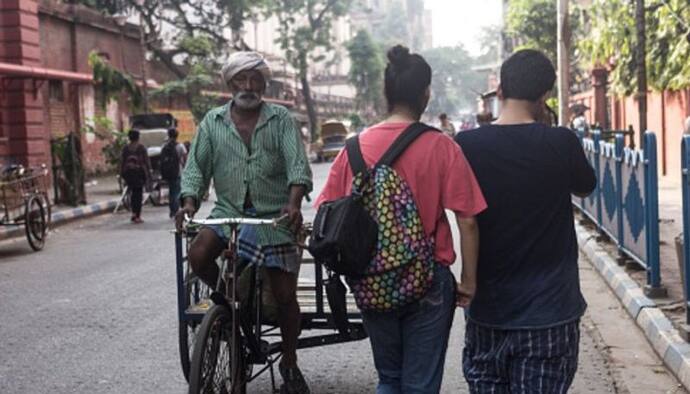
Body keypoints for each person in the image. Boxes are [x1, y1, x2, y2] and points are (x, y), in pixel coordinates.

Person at [317, 45, 486, 394]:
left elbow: (326, 213)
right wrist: (468, 281)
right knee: (420, 384)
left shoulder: (352, 149)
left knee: (390, 379)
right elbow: (467, 219)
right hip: (427, 281)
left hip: (371, 280)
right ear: (426, 94)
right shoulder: (441, 146)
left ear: (386, 92)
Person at [455, 49, 597, 393]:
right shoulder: (561, 141)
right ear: (545, 95)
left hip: (489, 313)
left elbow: (466, 219)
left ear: (499, 91)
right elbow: (585, 186)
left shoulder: (467, 145)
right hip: (550, 315)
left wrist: (468, 282)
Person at [175, 51, 313, 394]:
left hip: (274, 217)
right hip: (227, 213)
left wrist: (294, 203)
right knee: (198, 255)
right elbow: (195, 169)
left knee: (284, 295)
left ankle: (290, 361)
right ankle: (230, 305)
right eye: (241, 80)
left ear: (264, 84)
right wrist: (188, 203)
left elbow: (298, 166)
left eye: (255, 80)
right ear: (231, 83)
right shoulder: (213, 122)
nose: (248, 86)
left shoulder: (280, 119)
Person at [120, 129, 151, 224]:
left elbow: (122, 161)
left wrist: (122, 174)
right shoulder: (141, 148)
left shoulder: (126, 148)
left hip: (129, 174)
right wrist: (149, 171)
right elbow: (146, 161)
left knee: (132, 193)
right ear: (138, 137)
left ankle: (133, 213)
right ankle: (137, 215)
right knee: (138, 195)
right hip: (139, 174)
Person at [160, 128, 187, 218]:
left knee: (172, 191)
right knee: (176, 192)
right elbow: (184, 159)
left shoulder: (164, 146)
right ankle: (175, 210)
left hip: (168, 172)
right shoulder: (180, 146)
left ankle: (172, 211)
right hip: (177, 172)